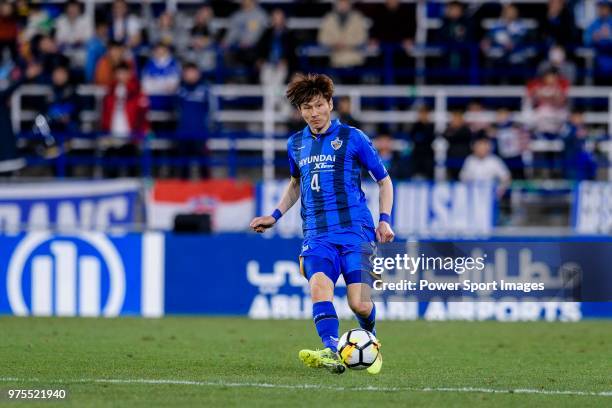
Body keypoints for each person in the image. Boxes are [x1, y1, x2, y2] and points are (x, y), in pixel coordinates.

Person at [249, 73, 394, 375]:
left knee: (360, 305)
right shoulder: (296, 144)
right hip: (317, 234)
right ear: (299, 111)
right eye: (306, 108)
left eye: (318, 106)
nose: (313, 114)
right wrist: (273, 216)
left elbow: (384, 181)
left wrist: (384, 220)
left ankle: (371, 340)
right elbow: (295, 184)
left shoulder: (354, 138)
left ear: (330, 104)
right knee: (318, 287)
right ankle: (331, 350)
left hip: (356, 231)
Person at [174, 62, 210, 179]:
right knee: (184, 167)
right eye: (188, 72)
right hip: (183, 133)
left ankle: (207, 191)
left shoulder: (205, 90)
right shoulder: (179, 91)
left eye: (193, 72)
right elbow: (175, 110)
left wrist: (209, 128)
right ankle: (183, 193)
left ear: (198, 74)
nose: (190, 75)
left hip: (200, 133)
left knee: (204, 165)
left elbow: (212, 111)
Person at [318, 0, 368, 70]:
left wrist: (347, 45)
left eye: (345, 3)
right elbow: (322, 39)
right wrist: (334, 45)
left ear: (349, 4)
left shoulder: (358, 18)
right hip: (335, 60)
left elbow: (362, 38)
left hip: (356, 60)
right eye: (340, 3)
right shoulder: (328, 18)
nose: (343, 5)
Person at [255, 8, 297, 86]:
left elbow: (292, 52)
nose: (277, 21)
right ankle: (272, 98)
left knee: (278, 79)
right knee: (266, 77)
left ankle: (274, 98)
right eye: (275, 18)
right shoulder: (267, 34)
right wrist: (260, 59)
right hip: (268, 63)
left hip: (283, 64)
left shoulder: (290, 34)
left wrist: (286, 60)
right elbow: (260, 48)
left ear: (284, 19)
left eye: (279, 18)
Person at [141, 42, 181, 111]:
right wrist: (163, 83)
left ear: (167, 51)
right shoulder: (149, 64)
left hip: (170, 101)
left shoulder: (174, 64)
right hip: (152, 101)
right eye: (158, 51)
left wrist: (155, 83)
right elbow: (146, 86)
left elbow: (173, 86)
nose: (160, 53)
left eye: (162, 51)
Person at [584, 0, 612, 84]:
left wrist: (609, 36)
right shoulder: (594, 24)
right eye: (601, 8)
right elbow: (586, 39)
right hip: (598, 58)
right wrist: (593, 37)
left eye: (605, 8)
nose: (603, 10)